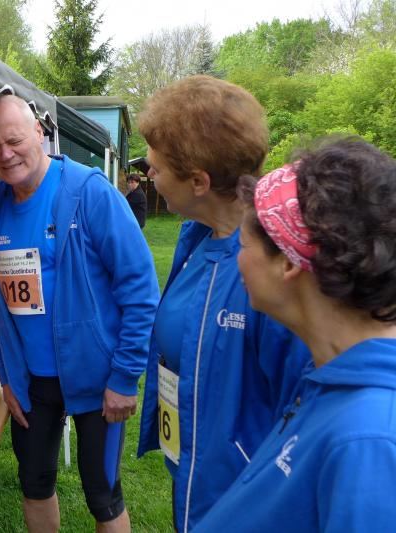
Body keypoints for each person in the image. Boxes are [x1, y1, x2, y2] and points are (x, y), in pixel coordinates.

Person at [134, 75, 310, 532]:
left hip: (242, 500)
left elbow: (304, 411)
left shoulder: (270, 268)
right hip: (194, 474)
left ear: (199, 181)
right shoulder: (197, 236)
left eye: (156, 168)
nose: (149, 175)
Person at [0, 95, 159, 532]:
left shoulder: (89, 191)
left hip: (97, 377)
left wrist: (124, 377)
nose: (5, 154)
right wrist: (6, 375)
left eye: (14, 140)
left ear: (39, 133)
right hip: (31, 382)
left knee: (103, 495)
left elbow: (140, 289)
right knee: (34, 483)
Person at [195, 137, 396, 531]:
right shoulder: (329, 376)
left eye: (243, 244)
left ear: (288, 263)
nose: (238, 260)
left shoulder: (368, 440)